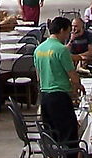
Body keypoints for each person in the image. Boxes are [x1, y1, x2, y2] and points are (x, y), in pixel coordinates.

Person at [34, 16, 82, 149]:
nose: (68, 35)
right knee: (69, 133)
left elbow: (38, 75)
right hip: (59, 96)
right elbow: (72, 74)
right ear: (61, 30)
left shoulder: (39, 49)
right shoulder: (61, 50)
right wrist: (77, 87)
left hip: (44, 95)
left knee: (51, 134)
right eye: (67, 32)